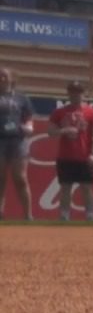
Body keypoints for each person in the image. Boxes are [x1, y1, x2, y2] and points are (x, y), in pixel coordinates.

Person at [48, 80, 93, 222]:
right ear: (68, 93)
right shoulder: (59, 112)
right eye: (73, 91)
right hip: (65, 155)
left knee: (87, 187)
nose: (76, 94)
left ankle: (90, 215)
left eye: (79, 92)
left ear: (83, 94)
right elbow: (51, 132)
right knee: (65, 187)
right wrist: (64, 130)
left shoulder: (91, 112)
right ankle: (64, 215)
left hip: (84, 155)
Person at [0, 67, 35, 221]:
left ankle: (28, 215)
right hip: (0, 139)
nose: (1, 79)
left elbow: (28, 116)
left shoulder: (21, 98)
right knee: (0, 178)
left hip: (18, 139)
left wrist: (29, 126)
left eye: (4, 76)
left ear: (11, 78)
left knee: (20, 178)